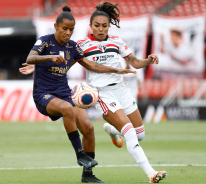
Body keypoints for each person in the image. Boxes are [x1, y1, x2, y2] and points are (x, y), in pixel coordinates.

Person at [20, 6, 135, 183]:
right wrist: (48, 58)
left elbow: (92, 65)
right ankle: (80, 153)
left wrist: (115, 69)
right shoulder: (45, 42)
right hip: (44, 95)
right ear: (56, 26)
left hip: (64, 93)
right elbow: (30, 58)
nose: (68, 32)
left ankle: (88, 175)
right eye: (64, 28)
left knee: (88, 128)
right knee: (67, 108)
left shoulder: (73, 47)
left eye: (71, 29)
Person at [76, 2, 167, 183]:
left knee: (139, 134)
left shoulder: (116, 41)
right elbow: (66, 62)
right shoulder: (82, 45)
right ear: (90, 26)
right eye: (97, 26)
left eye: (104, 26)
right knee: (130, 133)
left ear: (109, 26)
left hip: (122, 90)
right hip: (103, 94)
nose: (100, 29)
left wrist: (148, 60)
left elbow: (134, 62)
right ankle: (151, 173)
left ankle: (111, 129)